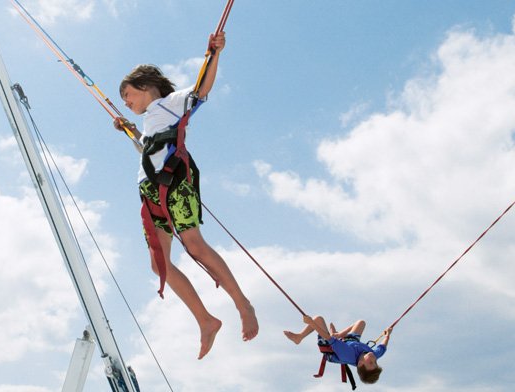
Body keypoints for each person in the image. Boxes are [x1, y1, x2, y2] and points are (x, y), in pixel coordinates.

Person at [112, 32, 258, 360]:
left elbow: (201, 90)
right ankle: (206, 320)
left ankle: (241, 302)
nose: (126, 102)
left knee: (194, 244)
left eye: (126, 94)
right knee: (159, 265)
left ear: (145, 85)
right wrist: (128, 131)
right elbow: (151, 147)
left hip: (174, 184)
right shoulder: (152, 119)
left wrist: (213, 54)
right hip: (149, 191)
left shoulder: (169, 102)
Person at [284, 315, 391, 384]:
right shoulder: (374, 355)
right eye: (375, 362)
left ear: (360, 364)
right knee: (361, 322)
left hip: (330, 348)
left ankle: (299, 338)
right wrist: (387, 335)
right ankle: (339, 334)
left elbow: (328, 338)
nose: (374, 359)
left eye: (371, 362)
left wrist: (311, 322)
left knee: (318, 319)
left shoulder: (347, 354)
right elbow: (383, 348)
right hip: (351, 342)